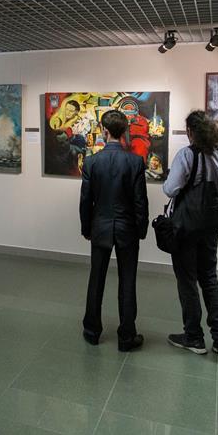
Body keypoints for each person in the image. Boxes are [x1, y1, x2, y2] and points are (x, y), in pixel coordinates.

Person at [162, 110, 218, 361]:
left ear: (190, 132)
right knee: (209, 278)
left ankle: (193, 336)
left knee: (187, 280)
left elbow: (170, 189)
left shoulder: (187, 155)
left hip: (186, 228)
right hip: (211, 227)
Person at [79, 110, 149, 352]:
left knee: (96, 279)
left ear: (104, 131)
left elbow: (86, 200)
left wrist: (86, 228)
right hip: (127, 228)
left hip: (100, 227)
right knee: (127, 281)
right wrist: (141, 229)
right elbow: (140, 201)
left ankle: (92, 331)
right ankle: (127, 336)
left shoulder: (91, 162)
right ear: (124, 132)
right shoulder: (135, 162)